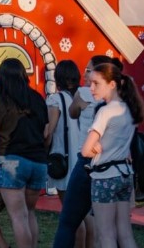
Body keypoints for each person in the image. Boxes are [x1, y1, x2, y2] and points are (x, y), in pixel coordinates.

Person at [0, 58, 48, 248]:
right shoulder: (37, 98)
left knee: (18, 216)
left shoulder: (3, 99)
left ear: (1, 78)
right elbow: (46, 132)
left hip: (12, 160)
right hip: (38, 162)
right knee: (30, 213)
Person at [53, 55, 118, 248]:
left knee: (68, 221)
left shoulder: (85, 94)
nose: (85, 74)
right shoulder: (123, 99)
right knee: (113, 225)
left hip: (89, 162)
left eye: (89, 70)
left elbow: (74, 113)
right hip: (115, 166)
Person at [80, 62, 143, 248]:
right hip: (125, 175)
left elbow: (85, 150)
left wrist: (95, 147)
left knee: (105, 234)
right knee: (125, 234)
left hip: (104, 176)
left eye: (96, 83)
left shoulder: (105, 111)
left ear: (112, 84)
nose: (91, 88)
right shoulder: (130, 108)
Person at [45, 61, 81, 199]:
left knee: (68, 206)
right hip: (82, 156)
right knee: (81, 208)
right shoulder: (83, 97)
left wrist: (44, 147)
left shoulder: (56, 99)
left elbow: (49, 130)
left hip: (64, 157)